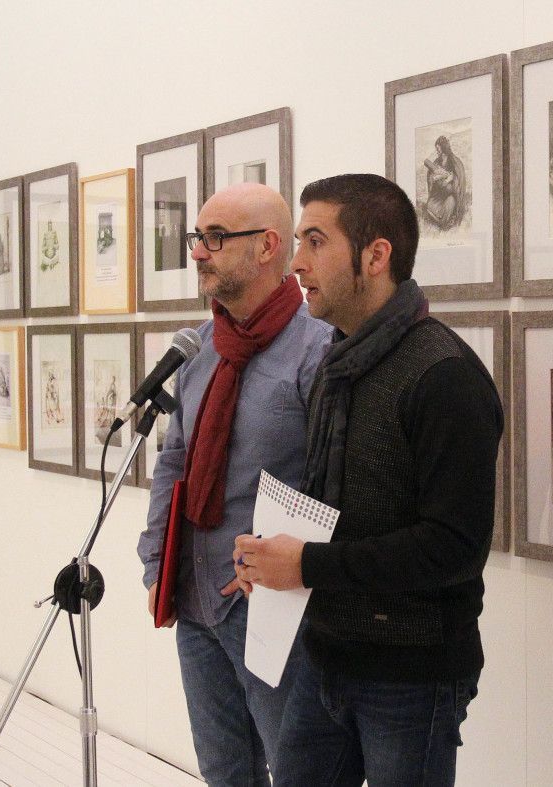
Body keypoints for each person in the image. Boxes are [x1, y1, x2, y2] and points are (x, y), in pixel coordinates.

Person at [232, 173, 502, 786]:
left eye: (315, 242)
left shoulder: (445, 377)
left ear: (376, 255)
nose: (296, 263)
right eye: (298, 242)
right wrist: (272, 557)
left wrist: (306, 567)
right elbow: (331, 509)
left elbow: (453, 548)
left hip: (410, 677)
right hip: (325, 654)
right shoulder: (336, 363)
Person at [136, 182, 334, 786]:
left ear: (267, 246)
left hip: (270, 607)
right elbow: (174, 459)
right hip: (194, 599)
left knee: (298, 771)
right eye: (198, 237)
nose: (198, 250)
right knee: (224, 773)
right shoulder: (201, 347)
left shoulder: (317, 353)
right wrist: (154, 565)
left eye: (215, 238)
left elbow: (332, 488)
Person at [422, 135, 467, 230]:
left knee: (450, 203)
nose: (437, 151)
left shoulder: (454, 161)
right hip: (440, 195)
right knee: (429, 205)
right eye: (436, 149)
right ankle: (440, 219)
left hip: (451, 194)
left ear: (443, 148)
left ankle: (446, 221)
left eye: (438, 148)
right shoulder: (437, 162)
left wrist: (450, 178)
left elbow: (459, 178)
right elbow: (431, 175)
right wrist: (433, 178)